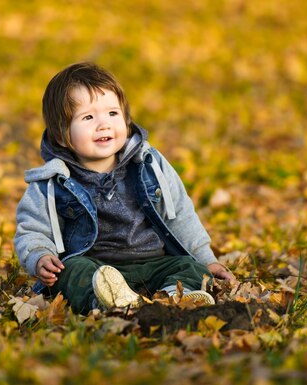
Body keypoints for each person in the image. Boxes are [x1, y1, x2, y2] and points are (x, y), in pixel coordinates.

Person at [14, 62, 236, 315]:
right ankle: (103, 301)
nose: (104, 125)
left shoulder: (149, 164)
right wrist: (40, 256)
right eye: (88, 117)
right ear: (63, 135)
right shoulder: (53, 181)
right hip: (96, 268)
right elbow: (32, 228)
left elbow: (181, 215)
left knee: (190, 266)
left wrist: (207, 259)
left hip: (154, 262)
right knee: (71, 273)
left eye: (112, 113)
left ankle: (177, 297)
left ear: (126, 119)